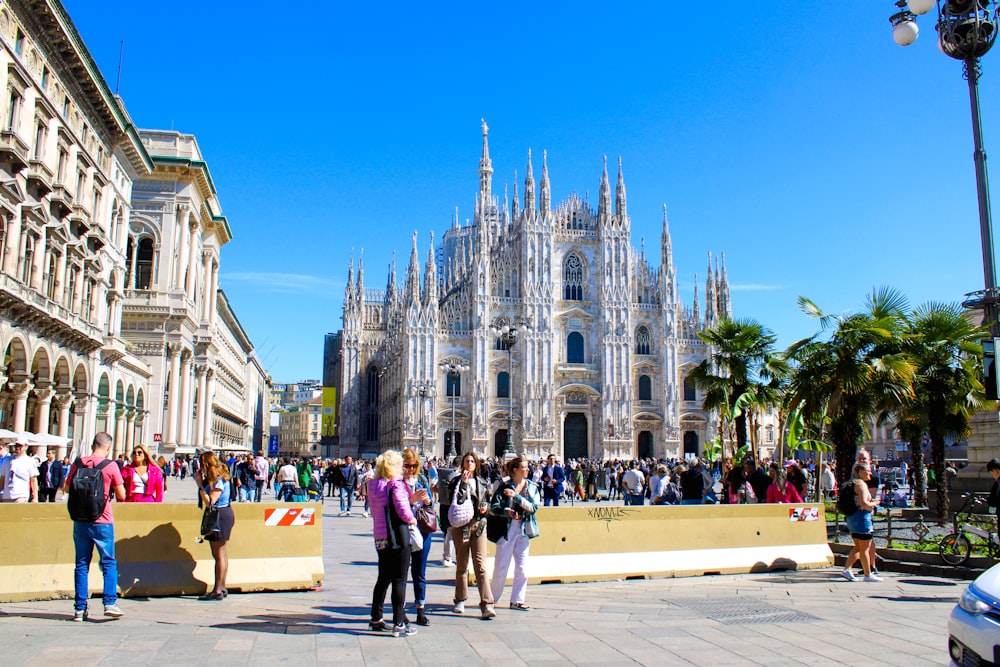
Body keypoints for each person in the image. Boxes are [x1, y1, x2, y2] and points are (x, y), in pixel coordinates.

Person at [64, 432, 126, 621]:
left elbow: (66, 488)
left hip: (80, 520)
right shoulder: (110, 466)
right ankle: (109, 603)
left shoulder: (78, 463)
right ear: (108, 447)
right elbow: (122, 495)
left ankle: (79, 608)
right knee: (108, 562)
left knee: (81, 564)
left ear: (93, 445)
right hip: (103, 520)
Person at [367, 450, 418, 638]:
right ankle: (399, 624)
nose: (402, 468)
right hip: (397, 536)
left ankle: (376, 618)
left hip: (380, 536)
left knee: (383, 578)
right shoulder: (394, 484)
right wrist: (412, 520)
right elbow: (402, 509)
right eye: (399, 465)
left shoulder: (374, 485)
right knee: (399, 580)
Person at [489, 456, 540, 611]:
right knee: (501, 567)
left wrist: (516, 497)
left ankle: (517, 600)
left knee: (523, 567)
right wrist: (507, 511)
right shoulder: (504, 486)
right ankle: (491, 598)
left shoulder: (532, 487)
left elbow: (533, 507)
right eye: (524, 467)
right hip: (507, 530)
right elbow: (493, 507)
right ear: (516, 470)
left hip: (524, 530)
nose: (527, 470)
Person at [449, 450, 495, 620]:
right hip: (462, 526)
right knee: (462, 565)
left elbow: (489, 502)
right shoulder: (455, 481)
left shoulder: (483, 482)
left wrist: (486, 508)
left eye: (472, 461)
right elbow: (454, 501)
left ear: (476, 465)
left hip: (479, 525)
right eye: (466, 461)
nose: (469, 464)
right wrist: (462, 484)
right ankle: (460, 599)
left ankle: (487, 603)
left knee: (480, 565)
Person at [194, 451, 235, 600]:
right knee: (222, 553)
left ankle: (217, 589)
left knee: (218, 555)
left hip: (219, 515)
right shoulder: (220, 476)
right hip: (223, 514)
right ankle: (221, 587)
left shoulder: (217, 480)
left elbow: (210, 501)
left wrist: (199, 484)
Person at [401, 448, 433, 626]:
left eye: (414, 466)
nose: (411, 469)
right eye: (408, 466)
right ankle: (402, 611)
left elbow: (431, 504)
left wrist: (428, 501)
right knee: (403, 574)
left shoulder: (421, 479)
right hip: (405, 530)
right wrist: (411, 501)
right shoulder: (397, 482)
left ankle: (421, 610)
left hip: (422, 530)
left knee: (420, 573)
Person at [840, 462, 882, 582]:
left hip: (852, 518)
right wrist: (875, 503)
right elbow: (864, 503)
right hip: (862, 518)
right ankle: (868, 575)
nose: (871, 473)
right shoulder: (861, 484)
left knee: (858, 547)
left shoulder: (852, 483)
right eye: (868, 471)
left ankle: (847, 570)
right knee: (865, 548)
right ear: (861, 472)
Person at [0, 436, 38, 502]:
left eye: (20, 446)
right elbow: (3, 478)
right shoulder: (8, 460)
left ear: (26, 447)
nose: (17, 447)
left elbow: (33, 480)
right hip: (7, 495)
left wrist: (35, 497)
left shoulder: (30, 461)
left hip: (21, 495)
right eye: (16, 445)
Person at [987, 459, 1000, 526]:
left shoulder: (998, 483)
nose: (993, 476)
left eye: (992, 473)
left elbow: (993, 500)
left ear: (996, 470)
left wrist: (988, 500)